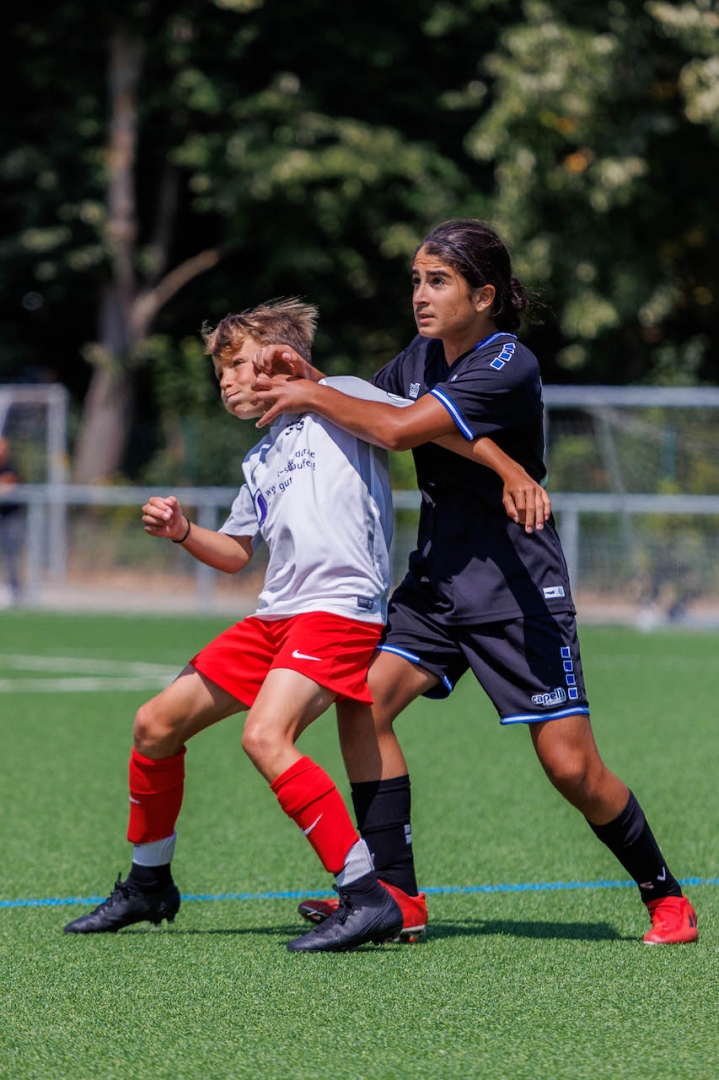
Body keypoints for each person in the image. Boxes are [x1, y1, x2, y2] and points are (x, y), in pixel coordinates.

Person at [251, 219, 698, 947]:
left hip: (515, 588)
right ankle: (397, 896)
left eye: (438, 281)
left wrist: (310, 394)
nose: (420, 296)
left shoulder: (508, 361)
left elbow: (398, 431)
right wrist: (311, 376)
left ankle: (666, 897)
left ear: (484, 296)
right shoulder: (422, 356)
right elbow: (382, 408)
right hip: (435, 584)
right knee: (362, 702)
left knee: (570, 767)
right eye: (416, 281)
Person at [63, 296, 543, 953]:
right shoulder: (261, 457)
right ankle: (149, 883)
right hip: (276, 617)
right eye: (220, 371)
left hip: (339, 610)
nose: (227, 380)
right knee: (154, 724)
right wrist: (182, 532)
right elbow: (236, 554)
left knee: (266, 736)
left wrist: (510, 469)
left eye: (238, 363)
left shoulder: (342, 395)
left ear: (280, 358)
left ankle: (366, 896)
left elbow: (420, 426)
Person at [0, 436, 23, 604]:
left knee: (11, 556)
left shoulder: (11, 465)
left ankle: (14, 590)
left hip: (10, 517)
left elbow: (9, 484)